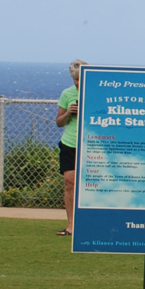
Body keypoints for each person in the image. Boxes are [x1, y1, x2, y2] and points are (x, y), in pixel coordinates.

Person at [55, 61, 86, 236]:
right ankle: (71, 225)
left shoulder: (97, 92)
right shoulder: (67, 94)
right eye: (75, 79)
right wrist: (68, 113)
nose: (78, 82)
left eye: (81, 79)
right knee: (69, 183)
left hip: (91, 143)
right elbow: (59, 122)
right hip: (70, 143)